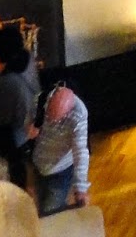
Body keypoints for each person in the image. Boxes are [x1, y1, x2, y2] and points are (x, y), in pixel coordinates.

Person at [0, 27, 40, 186]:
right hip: (35, 122)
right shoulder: (28, 59)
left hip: (19, 135)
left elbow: (2, 118)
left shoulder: (6, 82)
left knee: (18, 175)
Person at [31, 82, 90, 215]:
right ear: (50, 100)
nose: (52, 121)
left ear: (68, 111)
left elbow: (80, 152)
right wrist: (29, 127)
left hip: (60, 170)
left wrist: (80, 188)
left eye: (58, 119)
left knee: (50, 214)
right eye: (50, 113)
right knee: (42, 211)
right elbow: (28, 122)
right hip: (39, 165)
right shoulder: (39, 100)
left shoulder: (79, 114)